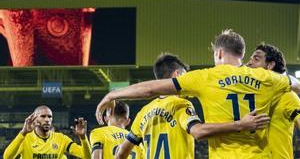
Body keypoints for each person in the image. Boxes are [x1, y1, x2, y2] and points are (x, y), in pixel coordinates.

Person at [96, 29, 300, 159]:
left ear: (218, 53)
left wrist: (113, 94)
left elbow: (151, 88)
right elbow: (295, 83)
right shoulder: (267, 79)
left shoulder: (205, 77)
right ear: (242, 54)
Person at [115, 53, 270, 159]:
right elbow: (198, 132)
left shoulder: (143, 112)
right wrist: (240, 124)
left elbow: (121, 152)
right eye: (185, 74)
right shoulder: (181, 104)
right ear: (177, 75)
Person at [247, 44, 300, 159]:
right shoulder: (247, 97)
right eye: (250, 59)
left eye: (256, 59)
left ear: (270, 65)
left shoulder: (287, 96)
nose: (249, 63)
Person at [3, 105, 91, 159]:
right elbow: (7, 157)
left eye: (49, 117)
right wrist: (23, 132)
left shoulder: (61, 139)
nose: (47, 120)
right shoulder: (25, 139)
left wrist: (83, 138)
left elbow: (87, 157)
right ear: (34, 119)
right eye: (43, 116)